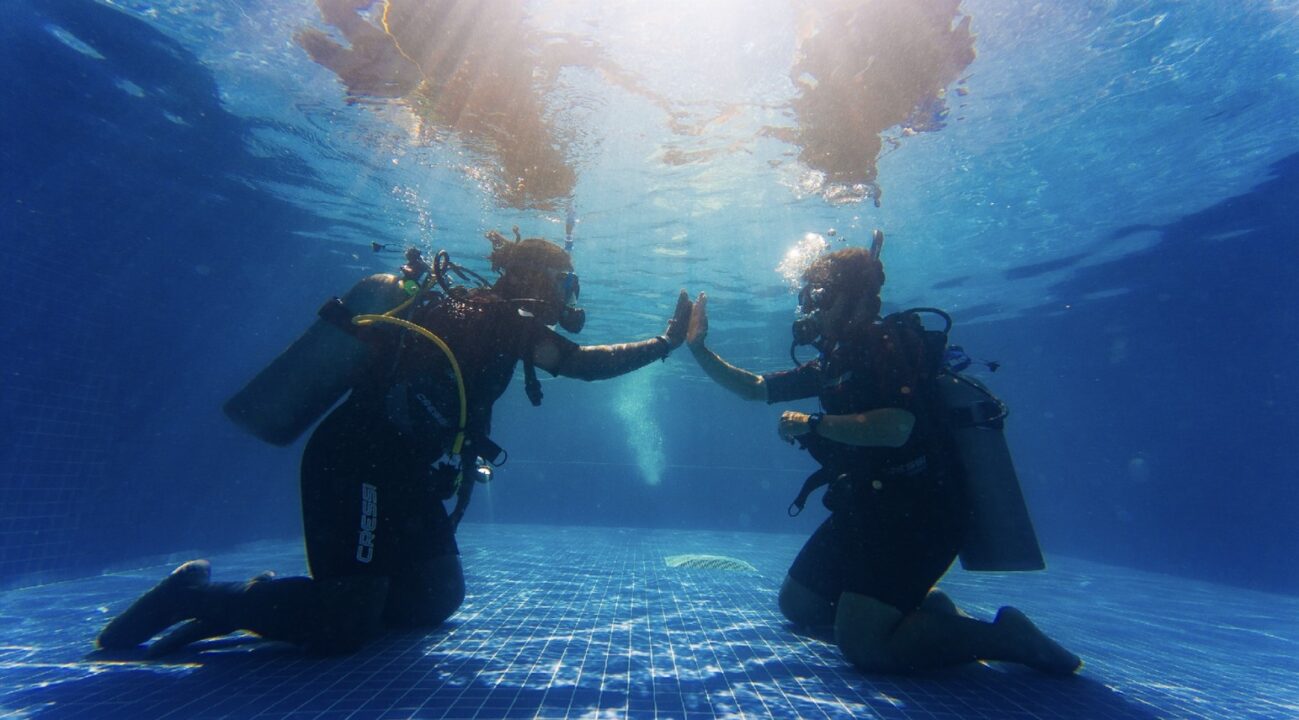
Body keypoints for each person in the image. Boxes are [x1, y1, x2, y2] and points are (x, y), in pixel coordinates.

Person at [96, 229, 692, 656]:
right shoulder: (497, 318)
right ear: (535, 279)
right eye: (565, 281)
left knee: (434, 597)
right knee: (346, 623)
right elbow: (583, 364)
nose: (569, 296)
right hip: (354, 461)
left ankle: (271, 606)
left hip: (400, 472)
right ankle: (201, 596)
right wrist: (667, 341)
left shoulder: (494, 322)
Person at [685, 242, 1081, 675]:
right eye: (809, 298)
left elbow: (897, 427)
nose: (812, 308)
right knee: (799, 605)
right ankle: (920, 608)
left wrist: (814, 423)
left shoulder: (886, 346)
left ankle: (1008, 638)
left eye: (821, 297)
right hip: (867, 506)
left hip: (921, 511)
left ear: (854, 299)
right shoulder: (832, 363)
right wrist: (699, 349)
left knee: (864, 644)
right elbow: (754, 387)